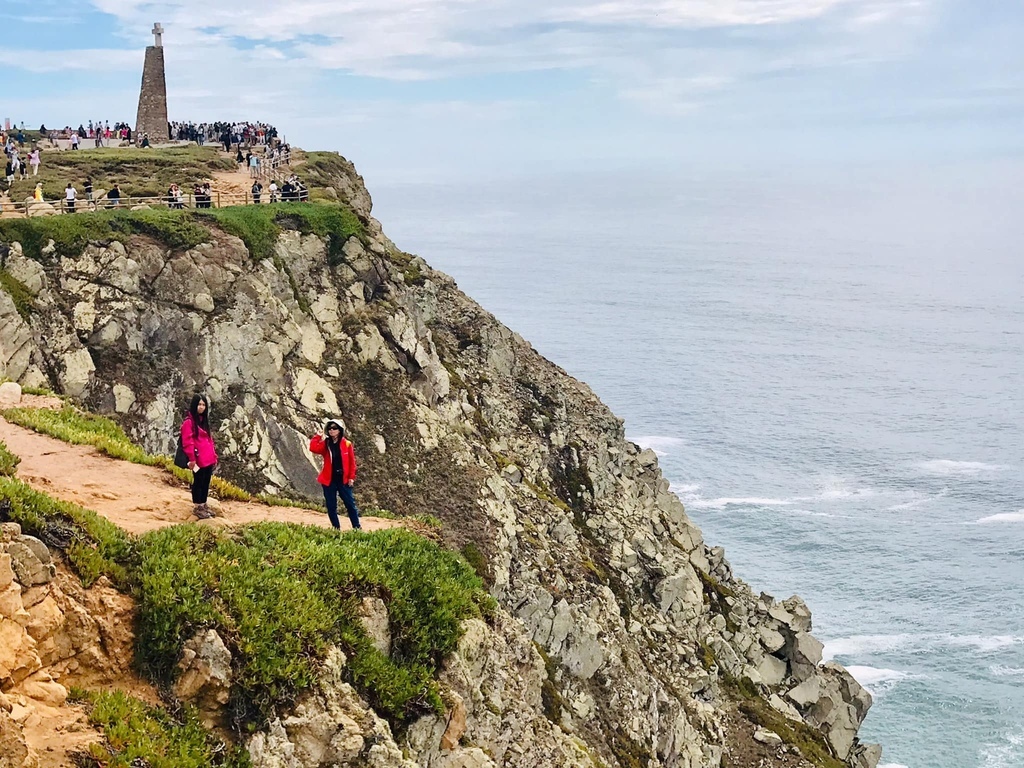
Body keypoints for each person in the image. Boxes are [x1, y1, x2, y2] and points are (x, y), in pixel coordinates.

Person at [309, 418, 361, 530]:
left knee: (350, 505)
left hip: (343, 480)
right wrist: (317, 436)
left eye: (334, 428)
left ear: (340, 430)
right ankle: (336, 529)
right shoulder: (326, 444)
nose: (332, 430)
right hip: (329, 480)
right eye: (330, 428)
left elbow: (352, 462)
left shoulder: (347, 444)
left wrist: (351, 477)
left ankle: (357, 528)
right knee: (331, 506)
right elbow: (313, 448)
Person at [180, 393, 218, 520]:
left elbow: (210, 440)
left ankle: (203, 504)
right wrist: (191, 458)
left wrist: (214, 456)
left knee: (206, 482)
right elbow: (187, 442)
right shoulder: (189, 423)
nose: (201, 407)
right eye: (199, 404)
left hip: (208, 458)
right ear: (194, 405)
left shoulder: (204, 422)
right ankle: (197, 506)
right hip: (198, 459)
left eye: (203, 405)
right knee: (198, 482)